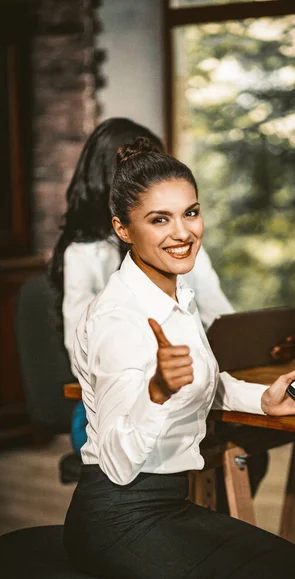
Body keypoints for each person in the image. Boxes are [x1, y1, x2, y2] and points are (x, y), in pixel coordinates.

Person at [63, 138, 295, 579]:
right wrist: (157, 393)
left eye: (190, 213)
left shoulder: (175, 294)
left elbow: (206, 383)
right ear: (123, 229)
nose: (183, 232)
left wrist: (264, 399)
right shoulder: (118, 316)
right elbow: (114, 460)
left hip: (169, 504)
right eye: (160, 219)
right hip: (117, 518)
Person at [49, 118, 234, 454]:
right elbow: (83, 360)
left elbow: (219, 313)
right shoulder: (86, 257)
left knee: (243, 446)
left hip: (183, 391)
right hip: (111, 413)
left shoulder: (183, 243)